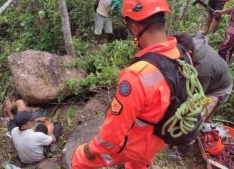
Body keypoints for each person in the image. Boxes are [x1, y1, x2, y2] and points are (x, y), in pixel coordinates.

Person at [72, 0, 190, 168]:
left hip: (136, 143)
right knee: (137, 164)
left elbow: (112, 134)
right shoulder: (183, 55)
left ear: (134, 28)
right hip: (160, 139)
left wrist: (91, 149)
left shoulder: (137, 76)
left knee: (80, 157)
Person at [175, 33, 232, 121]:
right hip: (214, 75)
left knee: (197, 117)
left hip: (217, 92)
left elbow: (196, 96)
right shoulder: (192, 41)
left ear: (188, 53)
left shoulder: (202, 69)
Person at [5, 99, 56, 164]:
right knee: (46, 126)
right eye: (31, 119)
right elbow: (54, 140)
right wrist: (50, 131)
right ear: (23, 126)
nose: (33, 120)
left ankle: (10, 109)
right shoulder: (37, 136)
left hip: (24, 161)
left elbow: (12, 121)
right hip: (39, 159)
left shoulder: (14, 132)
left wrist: (37, 120)